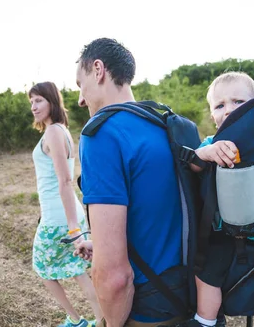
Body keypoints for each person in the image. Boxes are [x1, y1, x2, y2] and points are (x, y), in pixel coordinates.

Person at [75, 38, 185, 327]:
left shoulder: (101, 134)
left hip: (146, 309)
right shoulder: (165, 124)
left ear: (98, 70)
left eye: (79, 84)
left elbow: (114, 276)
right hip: (193, 298)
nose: (80, 99)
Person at [180, 72, 254, 327]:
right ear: (212, 115)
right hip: (219, 225)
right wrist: (206, 153)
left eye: (238, 102)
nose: (229, 110)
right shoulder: (211, 142)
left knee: (207, 274)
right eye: (220, 105)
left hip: (246, 229)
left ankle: (205, 321)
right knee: (203, 266)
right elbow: (193, 164)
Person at [29, 82, 102, 327]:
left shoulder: (53, 132)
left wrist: (72, 226)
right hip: (67, 213)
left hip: (60, 218)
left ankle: (74, 319)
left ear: (52, 101)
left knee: (42, 268)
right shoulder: (61, 130)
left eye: (38, 100)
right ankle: (101, 320)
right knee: (78, 269)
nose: (34, 106)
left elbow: (65, 180)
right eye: (31, 102)